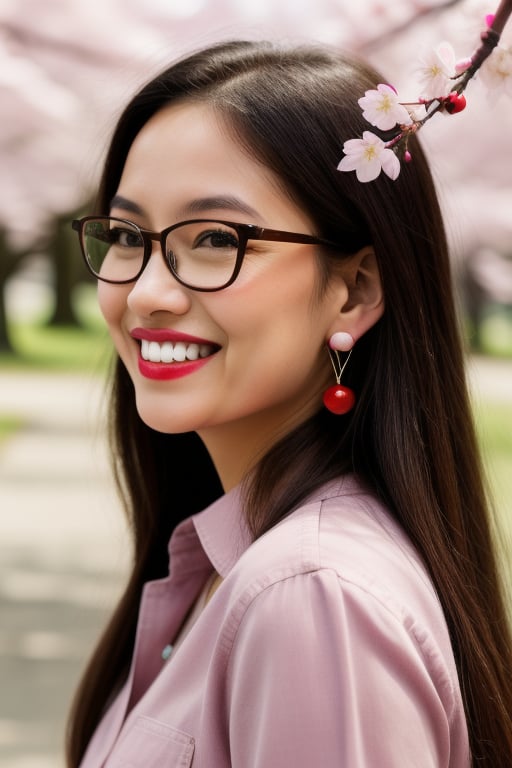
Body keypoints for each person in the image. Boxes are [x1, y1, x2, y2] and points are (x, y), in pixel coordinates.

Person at [67, 40, 512, 767]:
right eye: (125, 236)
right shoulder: (226, 568)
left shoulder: (311, 600)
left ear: (356, 289)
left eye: (215, 238)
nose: (146, 292)